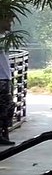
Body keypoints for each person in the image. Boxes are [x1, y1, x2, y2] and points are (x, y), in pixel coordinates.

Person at [0, 15, 15, 147]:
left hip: (5, 77)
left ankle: (4, 133)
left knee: (8, 107)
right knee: (5, 107)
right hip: (1, 79)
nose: (11, 24)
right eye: (9, 21)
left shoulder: (4, 38)